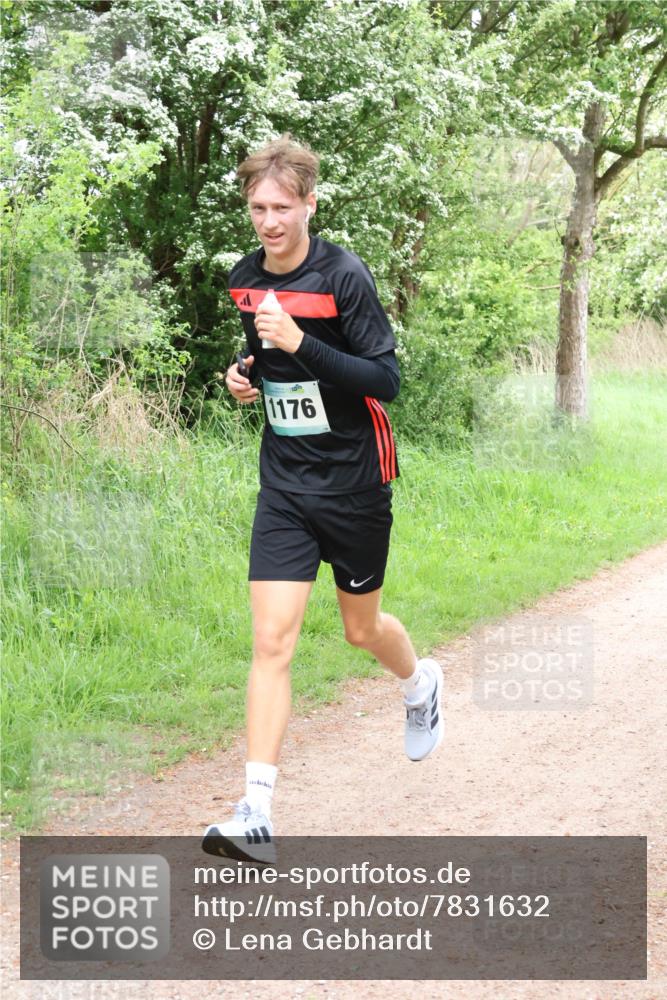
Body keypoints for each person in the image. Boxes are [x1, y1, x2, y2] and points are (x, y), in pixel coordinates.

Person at [202, 134, 443, 864]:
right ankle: (256, 814)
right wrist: (243, 374)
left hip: (355, 479)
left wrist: (301, 343)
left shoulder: (343, 275)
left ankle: (420, 684)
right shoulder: (246, 278)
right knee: (272, 641)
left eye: (281, 207)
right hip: (285, 480)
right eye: (257, 208)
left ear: (309, 204)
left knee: (360, 631)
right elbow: (262, 355)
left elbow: (385, 380)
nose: (268, 221)